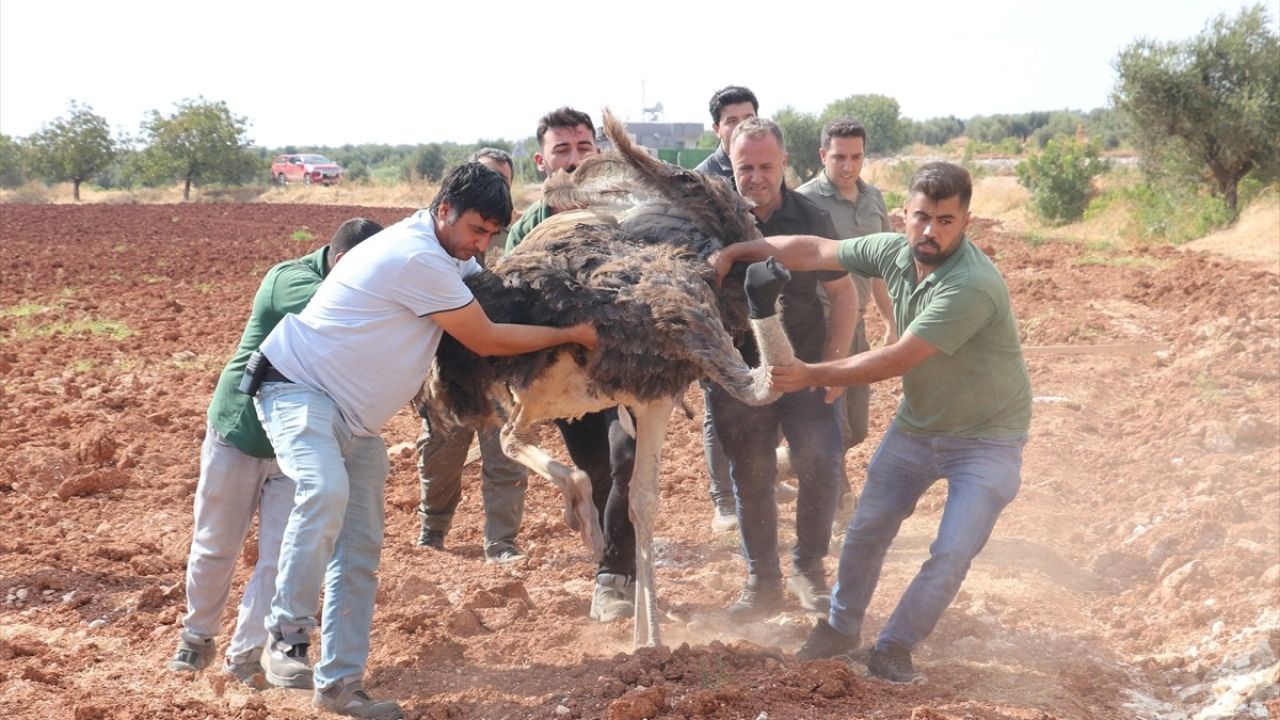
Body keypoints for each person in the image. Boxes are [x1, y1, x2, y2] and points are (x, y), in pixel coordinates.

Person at [255, 162, 596, 719]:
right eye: (475, 231)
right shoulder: (417, 256)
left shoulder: (442, 254)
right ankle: (286, 638)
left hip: (357, 421)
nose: (480, 245)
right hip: (299, 391)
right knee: (322, 491)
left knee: (360, 550)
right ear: (443, 211)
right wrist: (572, 332)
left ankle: (340, 686)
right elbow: (485, 337)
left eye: (491, 235)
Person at [710, 161, 1032, 685]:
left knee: (951, 550)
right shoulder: (891, 251)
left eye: (946, 221)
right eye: (922, 217)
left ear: (966, 222)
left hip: (988, 440)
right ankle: (840, 628)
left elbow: (898, 358)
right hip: (920, 426)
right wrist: (738, 252)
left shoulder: (970, 285)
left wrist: (809, 372)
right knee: (865, 530)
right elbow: (813, 250)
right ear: (905, 214)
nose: (930, 231)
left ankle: (895, 648)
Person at [166, 217, 384, 685]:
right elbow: (346, 317)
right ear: (343, 263)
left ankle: (245, 658)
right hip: (240, 434)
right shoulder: (289, 281)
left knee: (280, 557)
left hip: (298, 445)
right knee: (215, 545)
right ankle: (196, 636)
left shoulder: (354, 288)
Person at [711, 118, 856, 621]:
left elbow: (843, 293)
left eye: (765, 166)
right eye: (744, 166)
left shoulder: (810, 216)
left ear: (784, 164)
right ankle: (763, 584)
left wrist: (834, 366)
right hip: (737, 373)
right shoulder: (711, 223)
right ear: (729, 163)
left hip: (805, 365)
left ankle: (810, 571)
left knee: (821, 462)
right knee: (749, 475)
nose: (755, 177)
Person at [503, 107, 636, 624]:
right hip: (563, 379)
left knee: (627, 454)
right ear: (542, 162)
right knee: (599, 467)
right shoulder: (526, 233)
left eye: (584, 148)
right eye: (563, 150)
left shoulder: (627, 218)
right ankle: (618, 560)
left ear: (598, 154)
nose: (575, 159)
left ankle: (613, 577)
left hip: (628, 367)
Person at [415, 148, 531, 564]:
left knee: (505, 454)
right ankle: (433, 529)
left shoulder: (515, 237)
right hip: (446, 365)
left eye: (503, 181)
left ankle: (502, 542)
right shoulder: (436, 241)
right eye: (487, 178)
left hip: (500, 366)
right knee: (441, 450)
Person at [795, 118, 897, 525]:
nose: (848, 166)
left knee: (857, 427)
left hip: (857, 325)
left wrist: (891, 320)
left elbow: (880, 268)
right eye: (839, 157)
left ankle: (790, 460)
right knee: (830, 423)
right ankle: (841, 508)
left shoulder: (874, 201)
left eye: (856, 157)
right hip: (817, 325)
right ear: (823, 156)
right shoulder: (803, 202)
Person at [690, 85, 763, 533]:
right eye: (731, 120)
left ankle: (758, 478)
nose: (740, 126)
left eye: (748, 117)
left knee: (765, 396)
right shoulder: (699, 182)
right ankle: (724, 501)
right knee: (721, 406)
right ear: (716, 128)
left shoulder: (763, 166)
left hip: (762, 309)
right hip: (716, 312)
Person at [694, 85, 758, 182]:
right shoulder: (701, 180)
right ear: (717, 129)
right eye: (732, 121)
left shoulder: (773, 165)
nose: (742, 126)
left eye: (749, 119)